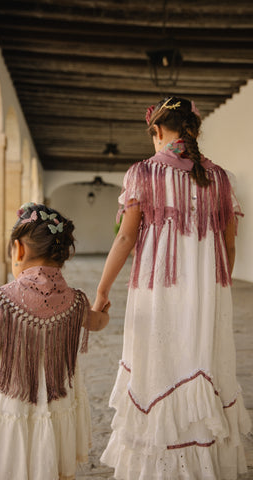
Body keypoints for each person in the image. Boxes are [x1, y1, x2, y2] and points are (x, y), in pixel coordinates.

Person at [93, 97, 251, 479]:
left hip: (158, 287)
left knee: (159, 363)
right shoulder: (220, 178)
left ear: (159, 131)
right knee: (200, 359)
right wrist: (216, 290)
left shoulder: (142, 174)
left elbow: (125, 238)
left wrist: (101, 292)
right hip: (209, 291)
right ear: (193, 131)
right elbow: (228, 246)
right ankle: (203, 458)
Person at [0, 203, 109, 480]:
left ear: (19, 249)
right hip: (55, 395)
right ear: (62, 254)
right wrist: (101, 308)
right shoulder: (76, 301)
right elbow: (97, 323)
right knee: (48, 455)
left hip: (7, 397)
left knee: (2, 458)